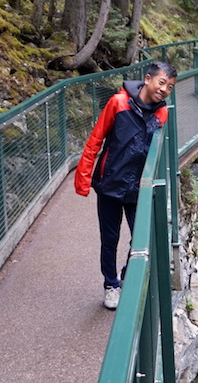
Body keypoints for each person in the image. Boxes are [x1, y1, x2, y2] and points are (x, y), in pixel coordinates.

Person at [75, 61, 178, 309]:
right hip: (111, 184)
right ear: (148, 79)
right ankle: (111, 285)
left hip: (138, 188)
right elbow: (96, 139)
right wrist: (84, 179)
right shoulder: (118, 103)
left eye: (170, 87)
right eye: (161, 83)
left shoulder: (161, 112)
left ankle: (126, 276)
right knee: (109, 239)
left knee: (141, 238)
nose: (164, 90)